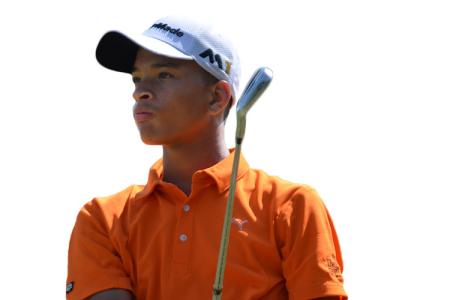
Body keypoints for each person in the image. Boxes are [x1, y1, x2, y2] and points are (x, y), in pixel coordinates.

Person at [66, 15, 348, 300]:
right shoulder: (103, 219)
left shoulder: (291, 206)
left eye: (164, 75)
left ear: (217, 97)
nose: (140, 92)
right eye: (137, 78)